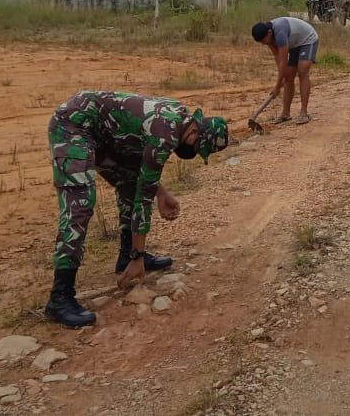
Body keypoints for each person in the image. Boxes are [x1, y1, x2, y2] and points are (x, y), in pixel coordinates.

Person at [45, 91, 229, 328]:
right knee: (79, 204)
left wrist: (161, 194)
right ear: (194, 132)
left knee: (130, 185)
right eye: (195, 148)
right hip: (74, 125)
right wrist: (139, 257)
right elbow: (144, 197)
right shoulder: (166, 132)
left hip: (105, 135)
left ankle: (125, 256)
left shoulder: (179, 120)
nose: (191, 153)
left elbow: (142, 174)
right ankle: (60, 297)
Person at [251, 16, 319, 124]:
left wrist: (277, 86)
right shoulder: (269, 38)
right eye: (261, 42)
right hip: (294, 43)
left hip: (308, 40)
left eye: (264, 41)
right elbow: (278, 58)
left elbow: (283, 61)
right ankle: (285, 114)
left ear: (269, 33)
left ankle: (303, 113)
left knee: (302, 71)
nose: (264, 44)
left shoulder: (280, 34)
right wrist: (283, 78)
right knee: (288, 77)